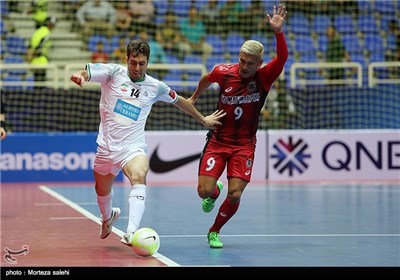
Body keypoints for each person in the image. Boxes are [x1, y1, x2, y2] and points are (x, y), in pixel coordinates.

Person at [70, 39, 226, 245]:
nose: (137, 67)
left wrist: (203, 119)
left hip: (132, 148)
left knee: (139, 175)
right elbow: (86, 72)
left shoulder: (155, 86)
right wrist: (80, 76)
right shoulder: (113, 73)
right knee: (102, 190)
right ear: (126, 60)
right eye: (133, 62)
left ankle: (131, 232)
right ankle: (107, 219)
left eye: (142, 63)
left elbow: (181, 102)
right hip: (106, 147)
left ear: (148, 62)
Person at [188, 4, 288, 248]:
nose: (244, 67)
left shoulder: (264, 77)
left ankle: (214, 231)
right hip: (218, 140)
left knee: (235, 194)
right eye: (242, 61)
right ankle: (214, 191)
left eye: (250, 63)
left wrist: (278, 32)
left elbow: (283, 57)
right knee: (204, 191)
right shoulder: (224, 73)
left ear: (259, 63)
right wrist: (194, 99)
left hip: (244, 146)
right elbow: (206, 78)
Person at [26, 16, 56, 85]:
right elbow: (38, 48)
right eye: (53, 24)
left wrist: (29, 60)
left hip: (35, 62)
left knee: (36, 84)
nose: (54, 26)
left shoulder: (36, 32)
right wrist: (30, 59)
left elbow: (30, 46)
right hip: (41, 62)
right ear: (49, 24)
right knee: (41, 86)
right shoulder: (46, 33)